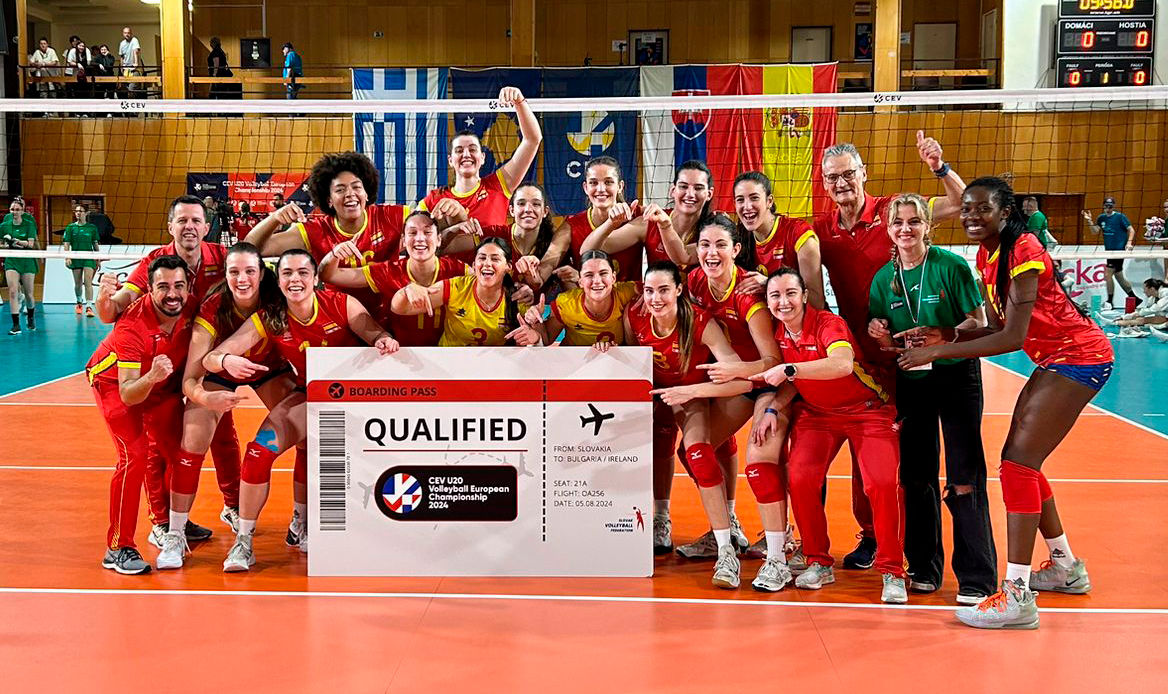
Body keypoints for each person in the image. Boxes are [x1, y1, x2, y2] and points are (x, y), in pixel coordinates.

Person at [899, 177, 1113, 629]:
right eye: (967, 209)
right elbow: (997, 325)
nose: (972, 216)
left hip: (1079, 357)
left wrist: (939, 352)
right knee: (1023, 463)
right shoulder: (987, 255)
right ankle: (1064, 566)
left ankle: (1017, 596)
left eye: (983, 209)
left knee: (1017, 465)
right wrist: (947, 334)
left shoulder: (1024, 249)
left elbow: (1012, 338)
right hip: (1054, 359)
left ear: (1005, 212)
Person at [813, 133, 966, 571]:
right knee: (867, 454)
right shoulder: (822, 230)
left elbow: (961, 204)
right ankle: (872, 536)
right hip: (860, 357)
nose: (841, 183)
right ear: (824, 184)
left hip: (912, 355)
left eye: (848, 174)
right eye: (832, 178)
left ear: (863, 174)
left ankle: (912, 546)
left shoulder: (892, 211)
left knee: (910, 459)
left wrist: (939, 167)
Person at [204, 249, 398, 571]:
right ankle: (245, 541)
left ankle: (303, 521)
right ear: (278, 281)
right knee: (258, 453)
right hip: (312, 397)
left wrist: (382, 341)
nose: (295, 280)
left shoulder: (341, 304)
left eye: (303, 273)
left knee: (320, 453)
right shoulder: (271, 317)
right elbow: (212, 358)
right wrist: (225, 360)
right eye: (287, 274)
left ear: (316, 278)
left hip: (356, 401)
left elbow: (377, 334)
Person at [867, 193, 997, 604]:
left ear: (928, 226)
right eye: (898, 223)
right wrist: (881, 335)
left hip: (956, 374)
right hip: (913, 379)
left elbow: (980, 322)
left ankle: (977, 577)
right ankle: (924, 566)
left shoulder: (950, 266)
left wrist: (947, 335)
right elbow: (888, 343)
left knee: (964, 475)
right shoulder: (883, 279)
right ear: (888, 230)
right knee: (917, 476)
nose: (905, 229)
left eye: (913, 221)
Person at [657, 216, 797, 591]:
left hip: (769, 382)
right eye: (705, 245)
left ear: (735, 249)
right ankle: (728, 530)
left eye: (720, 245)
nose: (711, 253)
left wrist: (735, 369)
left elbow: (772, 362)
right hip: (736, 382)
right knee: (695, 452)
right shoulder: (695, 281)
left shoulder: (749, 296)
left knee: (760, 461)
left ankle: (780, 554)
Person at [753, 269, 908, 604]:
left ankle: (893, 571)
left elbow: (841, 365)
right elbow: (793, 382)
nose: (783, 302)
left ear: (805, 296)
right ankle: (818, 562)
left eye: (790, 293)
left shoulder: (828, 324)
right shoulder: (779, 333)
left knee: (881, 483)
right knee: (800, 478)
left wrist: (790, 369)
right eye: (775, 296)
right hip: (818, 414)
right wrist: (772, 409)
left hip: (868, 410)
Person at [96, 196, 239, 545]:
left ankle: (208, 511)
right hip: (135, 373)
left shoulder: (219, 258)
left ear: (207, 227)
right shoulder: (154, 266)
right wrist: (105, 300)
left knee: (207, 439)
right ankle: (158, 525)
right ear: (170, 226)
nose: (189, 226)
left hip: (186, 359)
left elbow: (255, 257)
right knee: (147, 451)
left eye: (196, 220)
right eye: (182, 220)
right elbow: (114, 310)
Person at [155, 243, 297, 570]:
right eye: (234, 272)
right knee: (192, 442)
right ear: (226, 275)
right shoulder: (213, 309)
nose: (242, 279)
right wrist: (207, 398)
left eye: (249, 271)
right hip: (219, 372)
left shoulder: (278, 298)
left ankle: (300, 520)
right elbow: (191, 379)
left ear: (262, 274)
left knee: (306, 430)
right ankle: (175, 534)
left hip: (269, 369)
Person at [631, 261, 749, 588]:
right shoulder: (636, 316)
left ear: (679, 290)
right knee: (659, 445)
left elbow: (740, 378)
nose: (656, 298)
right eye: (650, 291)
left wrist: (692, 391)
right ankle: (661, 519)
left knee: (698, 452)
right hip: (656, 393)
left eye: (664, 290)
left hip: (692, 394)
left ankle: (726, 548)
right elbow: (629, 358)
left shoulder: (699, 322)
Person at [86, 256, 194, 575]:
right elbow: (129, 393)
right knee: (134, 455)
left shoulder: (191, 307)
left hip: (158, 382)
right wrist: (153, 376)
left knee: (181, 451)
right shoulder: (133, 325)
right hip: (116, 382)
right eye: (163, 287)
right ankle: (118, 547)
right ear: (149, 288)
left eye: (178, 286)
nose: (172, 294)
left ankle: (168, 523)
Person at [418, 86, 543, 262]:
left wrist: (519, 102)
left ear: (482, 158)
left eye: (472, 149)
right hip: (450, 275)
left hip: (491, 272)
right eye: (459, 150)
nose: (466, 155)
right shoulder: (436, 198)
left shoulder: (498, 185)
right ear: (450, 160)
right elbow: (411, 232)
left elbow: (532, 140)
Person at [319, 210, 467, 340]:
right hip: (399, 354)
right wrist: (334, 254)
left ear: (439, 240)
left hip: (447, 353)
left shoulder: (459, 270)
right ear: (403, 241)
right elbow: (329, 276)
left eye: (427, 232)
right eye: (412, 233)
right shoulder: (389, 271)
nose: (420, 238)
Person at [391, 236, 532, 347]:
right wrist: (407, 290)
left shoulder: (518, 297)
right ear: (474, 265)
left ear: (508, 266)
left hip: (493, 367)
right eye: (482, 258)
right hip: (449, 364)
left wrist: (534, 336)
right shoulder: (456, 287)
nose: (487, 263)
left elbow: (539, 337)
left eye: (495, 259)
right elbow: (399, 308)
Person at [582, 160, 715, 270]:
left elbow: (684, 257)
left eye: (698, 188)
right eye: (683, 186)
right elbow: (587, 250)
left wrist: (665, 226)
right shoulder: (650, 222)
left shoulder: (715, 228)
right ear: (673, 191)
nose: (690, 194)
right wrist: (612, 223)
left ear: (709, 194)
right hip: (656, 295)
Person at [443, 182, 563, 296]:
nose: (528, 209)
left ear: (545, 212)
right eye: (521, 203)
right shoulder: (494, 234)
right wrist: (454, 229)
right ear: (512, 210)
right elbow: (443, 248)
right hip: (490, 307)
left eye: (536, 204)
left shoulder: (555, 245)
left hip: (537, 309)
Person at [731, 171, 824, 306]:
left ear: (769, 201)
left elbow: (816, 302)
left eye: (754, 198)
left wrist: (769, 284)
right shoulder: (739, 237)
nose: (747, 206)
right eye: (740, 200)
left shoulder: (799, 233)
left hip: (808, 317)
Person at [520, 250, 639, 348]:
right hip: (573, 362)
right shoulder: (566, 303)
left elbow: (649, 288)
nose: (597, 281)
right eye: (589, 275)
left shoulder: (627, 292)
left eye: (603, 273)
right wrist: (536, 322)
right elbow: (546, 339)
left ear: (613, 278)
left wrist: (647, 295)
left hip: (614, 362)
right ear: (580, 281)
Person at [557, 156, 644, 282]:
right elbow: (547, 267)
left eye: (608, 182)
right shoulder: (572, 225)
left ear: (620, 186)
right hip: (590, 293)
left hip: (630, 294)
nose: (601, 189)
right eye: (593, 183)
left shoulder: (638, 215)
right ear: (586, 188)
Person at [1081, 197, 1138, 308]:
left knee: (1107, 275)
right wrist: (1089, 221)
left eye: (1110, 207)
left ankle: (1110, 302)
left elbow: (1131, 229)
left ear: (1113, 207)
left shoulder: (1120, 217)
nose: (1108, 209)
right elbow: (1094, 231)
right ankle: (1135, 298)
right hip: (1109, 252)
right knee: (1119, 276)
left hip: (1118, 251)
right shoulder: (1101, 218)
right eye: (1106, 206)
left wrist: (1129, 243)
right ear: (1103, 206)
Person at [2, 198, 40, 335]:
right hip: (12, 260)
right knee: (13, 291)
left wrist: (17, 241)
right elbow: (1, 244)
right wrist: (7, 245)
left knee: (29, 294)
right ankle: (16, 325)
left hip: (26, 260)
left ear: (22, 211)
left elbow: (31, 244)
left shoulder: (29, 224)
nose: (14, 212)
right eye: (12, 209)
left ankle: (31, 318)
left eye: (17, 209)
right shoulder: (4, 225)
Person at [63, 203, 101, 316]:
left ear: (86, 213)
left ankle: (89, 306)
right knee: (78, 284)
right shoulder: (70, 227)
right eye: (76, 211)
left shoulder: (92, 228)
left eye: (80, 211)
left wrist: (98, 258)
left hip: (88, 257)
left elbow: (95, 244)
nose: (78, 213)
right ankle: (79, 302)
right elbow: (66, 243)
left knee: (88, 282)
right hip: (76, 257)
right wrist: (67, 257)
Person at [118, 27, 142, 98]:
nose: (127, 34)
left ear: (131, 33)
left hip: (134, 69)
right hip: (126, 70)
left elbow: (135, 51)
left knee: (132, 88)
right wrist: (121, 68)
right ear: (123, 34)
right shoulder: (122, 43)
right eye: (125, 33)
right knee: (126, 89)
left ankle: (133, 103)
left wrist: (136, 63)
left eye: (128, 33)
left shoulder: (134, 40)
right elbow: (121, 57)